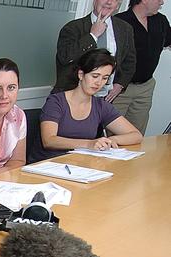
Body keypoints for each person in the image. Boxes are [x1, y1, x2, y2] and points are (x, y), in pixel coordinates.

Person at [32, 49, 143, 162]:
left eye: (105, 78)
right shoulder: (56, 101)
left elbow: (136, 135)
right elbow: (49, 140)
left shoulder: (100, 105)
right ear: (81, 74)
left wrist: (110, 140)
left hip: (80, 165)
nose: (99, 83)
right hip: (48, 164)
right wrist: (89, 143)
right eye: (95, 76)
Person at [54, 0, 135, 102]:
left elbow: (129, 62)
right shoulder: (73, 27)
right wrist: (93, 36)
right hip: (71, 98)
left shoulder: (125, 29)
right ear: (94, 1)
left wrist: (120, 84)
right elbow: (65, 57)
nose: (109, 2)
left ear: (118, 5)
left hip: (105, 100)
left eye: (114, 0)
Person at [114, 0, 171, 135]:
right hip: (120, 89)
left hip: (145, 88)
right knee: (114, 135)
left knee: (136, 135)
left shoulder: (161, 21)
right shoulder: (119, 21)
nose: (162, 2)